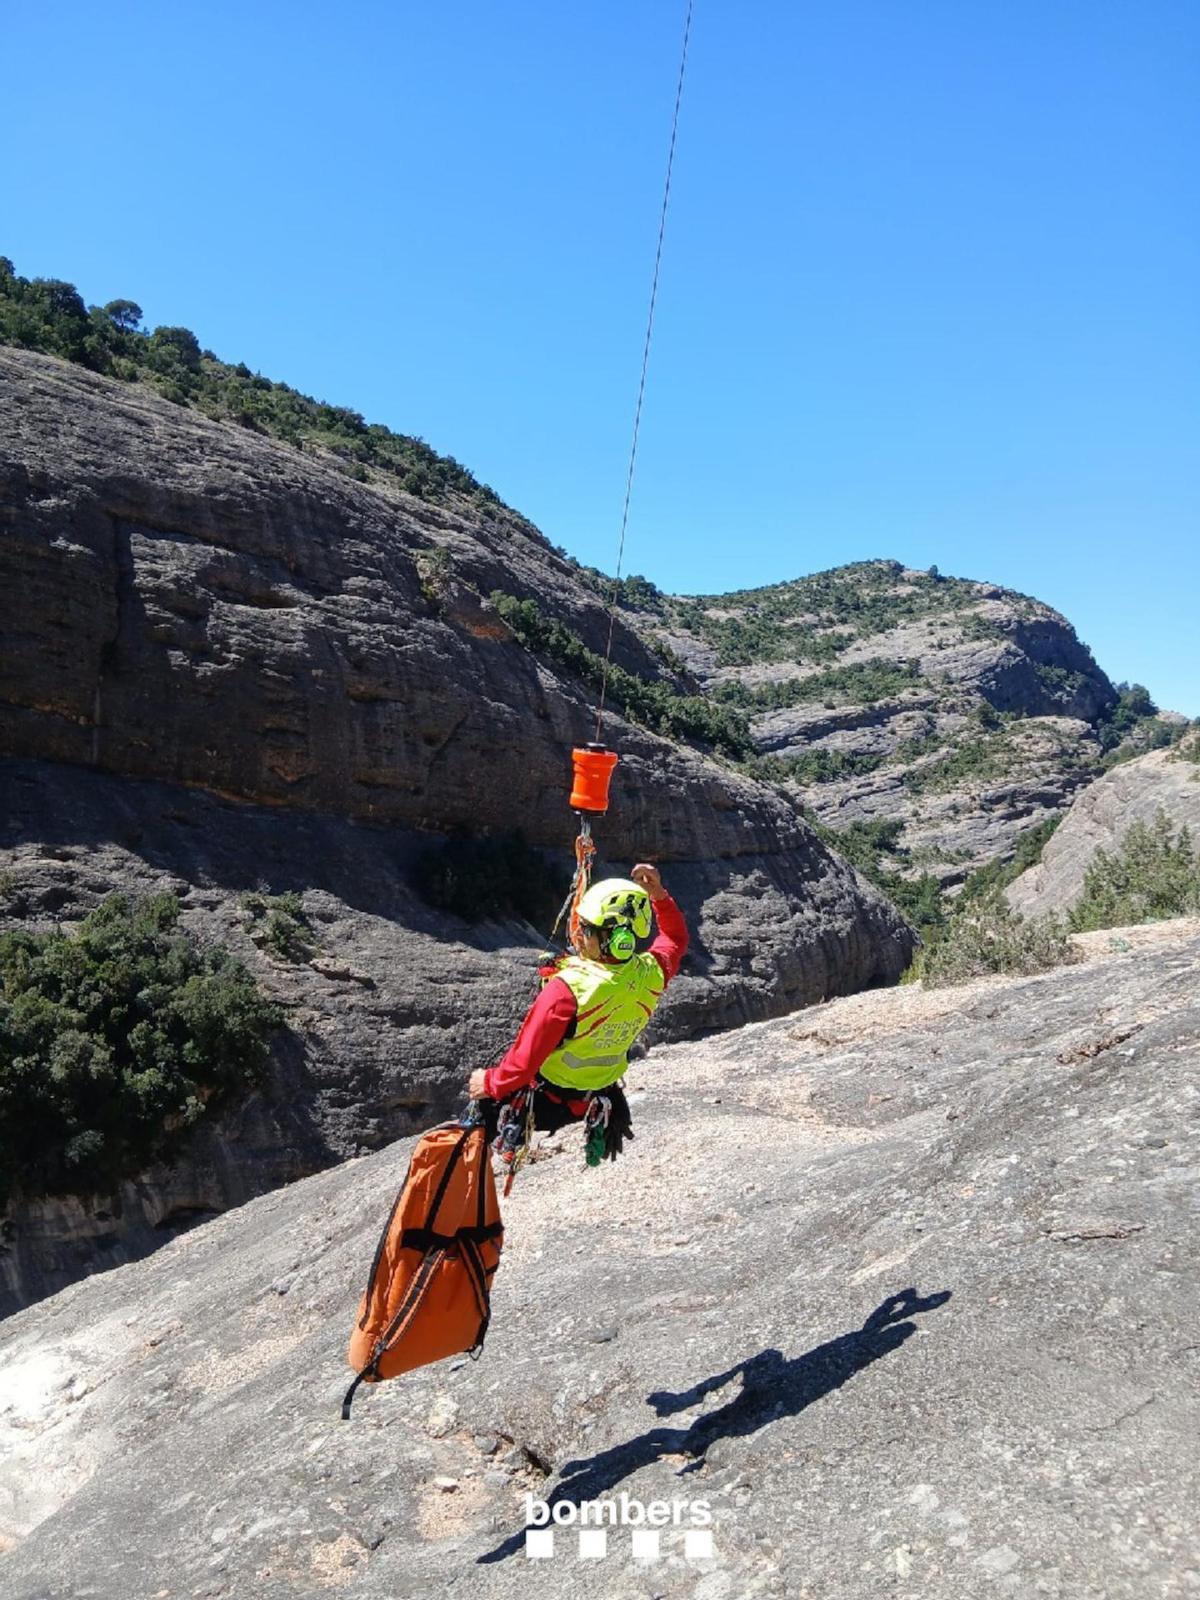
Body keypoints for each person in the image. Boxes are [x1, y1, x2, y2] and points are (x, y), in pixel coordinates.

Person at [467, 862, 688, 1167]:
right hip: (597, 1096)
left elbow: (522, 1065)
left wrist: (489, 1083)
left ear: (615, 939)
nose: (579, 936)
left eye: (587, 930)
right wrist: (659, 895)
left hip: (546, 1101)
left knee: (475, 1117)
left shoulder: (566, 991)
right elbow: (675, 939)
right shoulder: (652, 973)